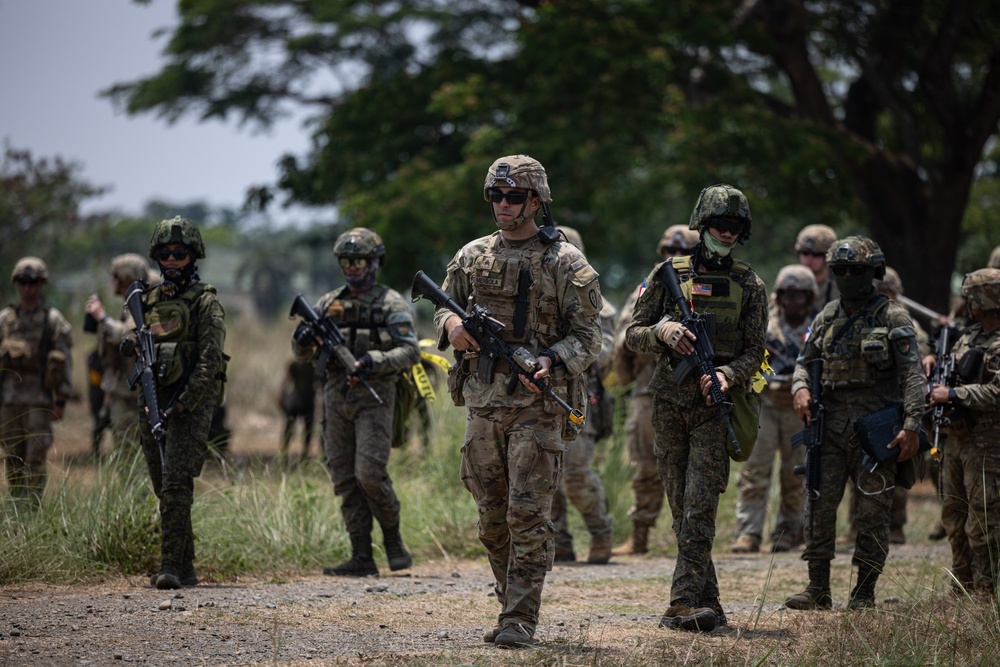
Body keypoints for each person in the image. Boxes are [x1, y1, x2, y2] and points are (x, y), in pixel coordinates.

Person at [433, 155, 602, 648]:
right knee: (490, 518)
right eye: (495, 196)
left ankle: (520, 619)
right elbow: (441, 311)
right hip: (483, 406)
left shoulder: (566, 262)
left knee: (528, 516)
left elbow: (589, 338)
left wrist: (550, 359)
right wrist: (453, 328)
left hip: (536, 408)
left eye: (512, 197)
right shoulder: (470, 257)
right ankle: (511, 599)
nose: (502, 206)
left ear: (535, 201)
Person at [625, 184, 768, 632]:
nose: (727, 234)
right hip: (668, 404)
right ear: (702, 226)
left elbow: (756, 351)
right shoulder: (668, 273)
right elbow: (634, 332)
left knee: (700, 506)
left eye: (735, 228)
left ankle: (681, 603)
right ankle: (712, 606)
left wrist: (728, 375)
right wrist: (664, 331)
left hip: (714, 405)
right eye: (720, 226)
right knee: (679, 507)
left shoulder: (750, 284)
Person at [784, 236, 924, 611]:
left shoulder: (892, 315)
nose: (847, 276)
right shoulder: (827, 314)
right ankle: (817, 589)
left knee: (873, 513)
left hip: (876, 431)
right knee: (817, 505)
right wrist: (800, 389)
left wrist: (912, 424)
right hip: (827, 428)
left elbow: (913, 375)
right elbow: (803, 359)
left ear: (873, 272)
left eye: (856, 270)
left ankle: (864, 592)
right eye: (841, 270)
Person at [292, 227, 419, 578]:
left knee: (370, 474)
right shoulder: (328, 303)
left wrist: (374, 361)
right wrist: (303, 340)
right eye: (346, 261)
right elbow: (301, 353)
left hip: (374, 396)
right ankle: (361, 553)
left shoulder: (391, 303)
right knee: (344, 477)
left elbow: (410, 351)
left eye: (359, 260)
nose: (352, 267)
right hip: (336, 396)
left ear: (375, 262)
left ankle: (393, 539)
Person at [121, 217, 227, 589]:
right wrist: (132, 344)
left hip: (189, 407)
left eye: (179, 254)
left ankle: (169, 567)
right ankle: (188, 566)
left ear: (192, 256)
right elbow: (136, 344)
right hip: (152, 402)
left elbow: (210, 363)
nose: (171, 260)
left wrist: (180, 405)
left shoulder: (206, 304)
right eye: (165, 254)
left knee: (177, 484)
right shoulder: (147, 301)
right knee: (161, 486)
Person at [612, 224, 699, 555]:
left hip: (695, 390)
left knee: (697, 470)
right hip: (650, 390)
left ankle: (692, 540)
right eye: (668, 251)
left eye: (682, 252)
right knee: (646, 466)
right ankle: (640, 534)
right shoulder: (648, 288)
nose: (673, 258)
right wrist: (658, 335)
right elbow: (624, 334)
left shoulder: (705, 289)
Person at [731, 264, 817, 554]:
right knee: (754, 471)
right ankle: (748, 532)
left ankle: (789, 531)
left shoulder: (817, 328)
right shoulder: (764, 324)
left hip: (800, 409)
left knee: (796, 473)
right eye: (788, 295)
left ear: (810, 298)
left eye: (800, 295)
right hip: (764, 404)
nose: (794, 301)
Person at [927, 268, 1000, 594]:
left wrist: (955, 394)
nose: (964, 303)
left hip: (986, 443)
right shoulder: (969, 337)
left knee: (984, 519)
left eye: (969, 297)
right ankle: (961, 582)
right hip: (956, 438)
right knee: (953, 515)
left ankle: (988, 588)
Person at [549, 226, 615, 565]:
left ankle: (601, 532)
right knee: (546, 475)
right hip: (542, 396)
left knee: (574, 474)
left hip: (578, 397)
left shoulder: (600, 306)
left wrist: (564, 348)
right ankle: (558, 542)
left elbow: (604, 354)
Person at [0, 257, 73, 503]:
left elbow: (63, 360)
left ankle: (31, 506)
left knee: (35, 456)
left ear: (41, 284)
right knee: (12, 456)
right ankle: (16, 503)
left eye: (32, 282)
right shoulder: (4, 320)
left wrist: (61, 399)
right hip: (9, 400)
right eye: (22, 282)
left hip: (38, 401)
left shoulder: (52, 320)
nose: (27, 287)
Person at [85, 253, 152, 456]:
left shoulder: (140, 304)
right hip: (122, 390)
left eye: (115, 277)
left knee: (129, 452)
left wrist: (102, 317)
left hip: (133, 394)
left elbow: (128, 334)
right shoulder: (130, 304)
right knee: (125, 449)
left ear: (126, 280)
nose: (112, 282)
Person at [277, 358, 317, 467]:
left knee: (305, 430)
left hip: (305, 400)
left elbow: (286, 380)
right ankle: (286, 454)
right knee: (293, 428)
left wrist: (281, 395)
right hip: (300, 400)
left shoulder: (312, 365)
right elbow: (286, 380)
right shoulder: (302, 365)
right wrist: (281, 395)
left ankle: (303, 455)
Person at [795, 224, 839, 312]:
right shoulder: (788, 288)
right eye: (805, 253)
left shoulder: (839, 293)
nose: (809, 259)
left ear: (828, 257)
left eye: (816, 254)